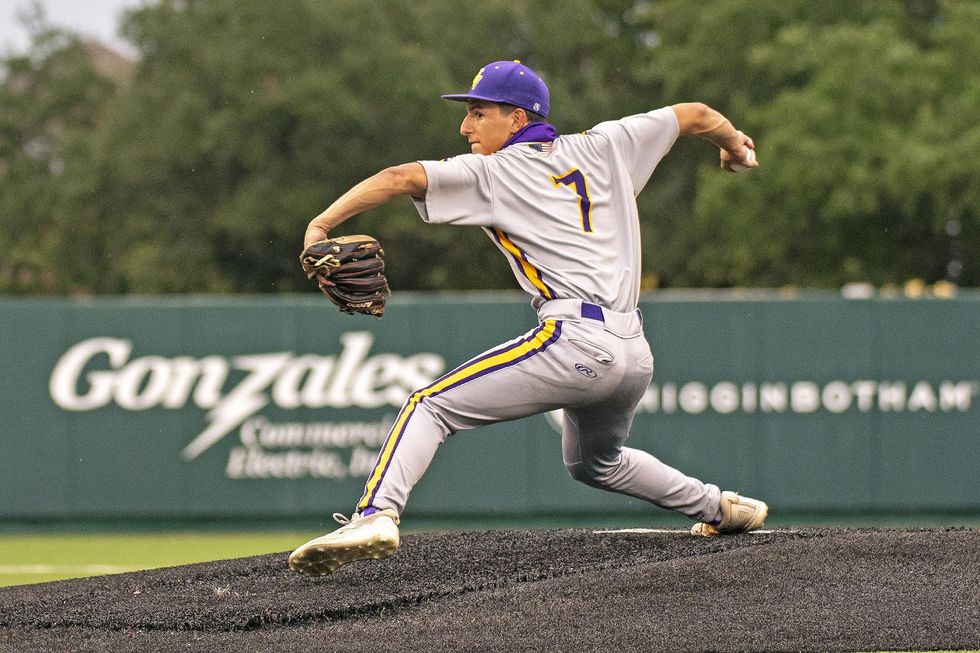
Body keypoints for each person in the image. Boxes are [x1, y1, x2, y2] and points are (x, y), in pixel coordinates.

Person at [288, 60, 767, 576]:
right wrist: (735, 143)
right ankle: (721, 509)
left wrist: (321, 224)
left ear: (517, 119)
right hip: (633, 352)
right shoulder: (607, 144)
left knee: (429, 406)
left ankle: (374, 515)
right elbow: (695, 114)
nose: (465, 127)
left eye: (478, 113)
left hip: (575, 340)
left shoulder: (495, 172)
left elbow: (399, 177)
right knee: (595, 463)